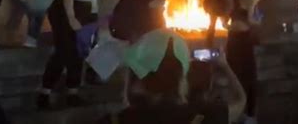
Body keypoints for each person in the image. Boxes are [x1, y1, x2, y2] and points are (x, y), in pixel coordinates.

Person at [100, 29, 246, 124]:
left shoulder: (115, 120)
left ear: (138, 81)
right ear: (182, 79)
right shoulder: (204, 117)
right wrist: (224, 65)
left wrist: (128, 87)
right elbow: (240, 100)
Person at [37, 0, 103, 109]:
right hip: (68, 11)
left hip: (79, 11)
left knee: (76, 53)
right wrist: (72, 17)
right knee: (64, 51)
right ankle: (44, 94)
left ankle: (72, 92)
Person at [226, 0, 263, 123]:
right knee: (242, 75)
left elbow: (248, 21)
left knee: (241, 74)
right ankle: (244, 114)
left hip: (238, 40)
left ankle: (246, 113)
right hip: (239, 40)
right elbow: (250, 21)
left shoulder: (241, 0)